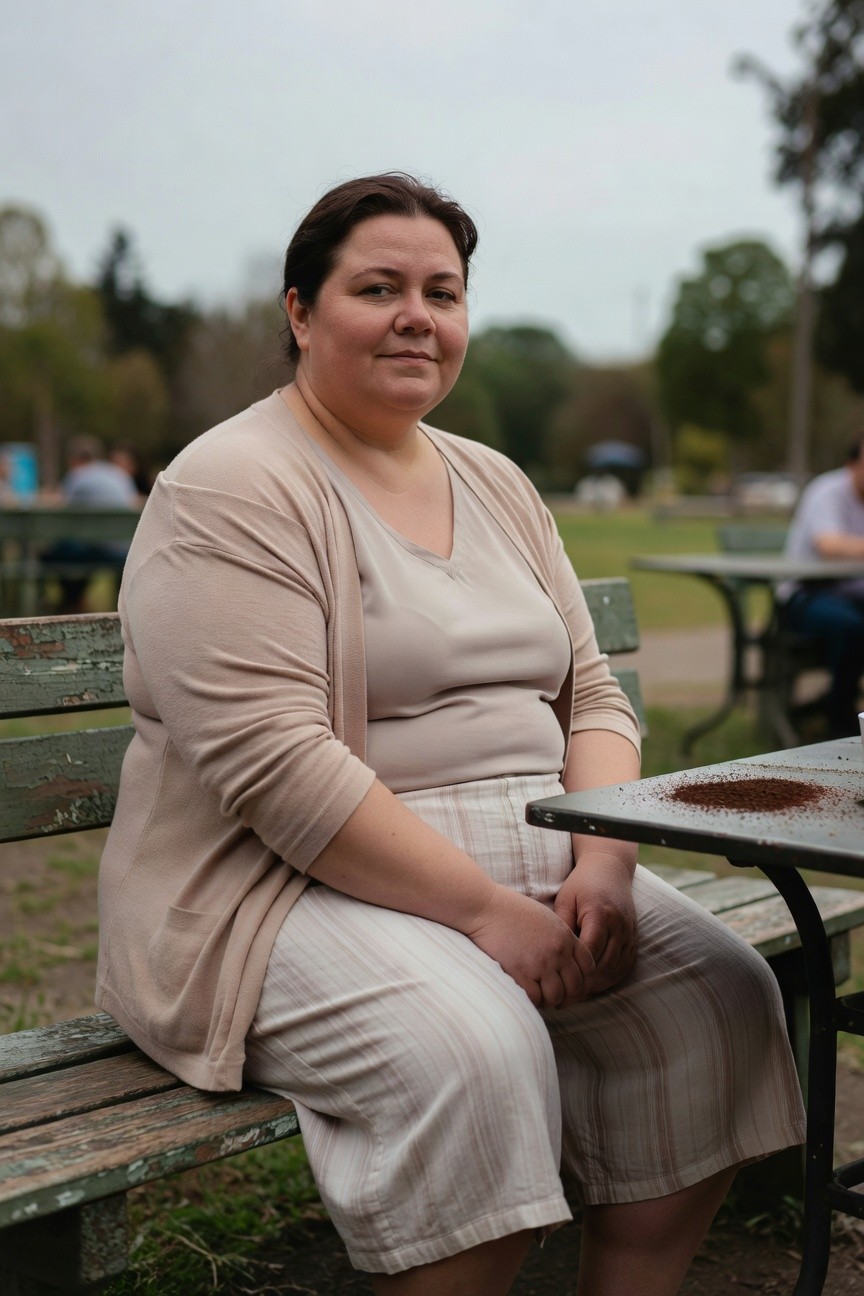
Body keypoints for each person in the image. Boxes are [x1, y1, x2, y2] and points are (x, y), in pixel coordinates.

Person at [95, 174, 804, 1296]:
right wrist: (487, 917)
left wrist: (607, 868)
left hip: (540, 850)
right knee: (477, 1051)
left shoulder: (499, 482)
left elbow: (595, 696)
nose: (417, 315)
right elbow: (278, 771)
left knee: (720, 1001)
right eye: (378, 287)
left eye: (444, 290)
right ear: (300, 313)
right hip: (287, 887)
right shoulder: (232, 486)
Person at [782, 434, 864, 738]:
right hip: (806, 595)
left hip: (853, 596)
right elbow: (828, 545)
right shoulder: (826, 491)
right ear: (851, 464)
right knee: (851, 627)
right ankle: (840, 721)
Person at [42, 435, 138, 612]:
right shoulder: (120, 475)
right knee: (81, 548)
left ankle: (70, 603)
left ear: (75, 459)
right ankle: (77, 602)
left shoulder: (77, 474)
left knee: (49, 554)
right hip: (120, 552)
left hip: (92, 550)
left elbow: (60, 513)